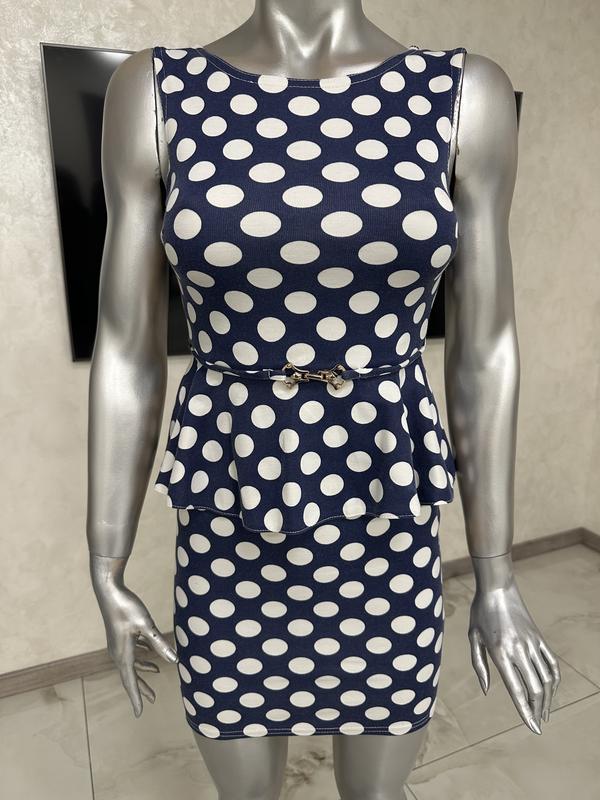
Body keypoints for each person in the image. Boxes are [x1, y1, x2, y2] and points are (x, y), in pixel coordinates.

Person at [88, 2, 560, 797]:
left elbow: (484, 350)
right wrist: (106, 561)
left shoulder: (465, 95)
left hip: (385, 517)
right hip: (230, 520)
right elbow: (126, 348)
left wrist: (497, 573)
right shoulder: (154, 92)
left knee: (374, 791)